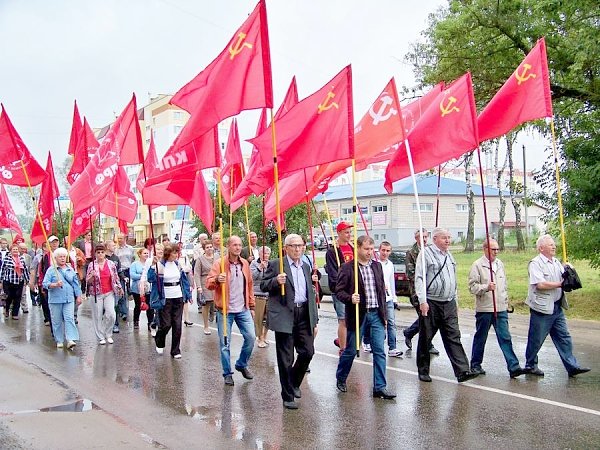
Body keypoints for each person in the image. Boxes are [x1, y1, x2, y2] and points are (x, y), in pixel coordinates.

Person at [261, 234, 319, 409]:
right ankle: (287, 395)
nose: (297, 249)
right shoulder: (276, 264)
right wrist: (275, 281)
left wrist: (314, 317)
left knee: (308, 352)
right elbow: (263, 285)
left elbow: (310, 293)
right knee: (286, 357)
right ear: (286, 248)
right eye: (293, 246)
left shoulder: (306, 267)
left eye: (300, 245)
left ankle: (293, 382)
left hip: (303, 314)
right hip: (285, 314)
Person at [335, 235, 396, 400]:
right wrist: (350, 298)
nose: (369, 252)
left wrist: (383, 315)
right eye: (366, 249)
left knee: (379, 351)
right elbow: (339, 291)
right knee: (350, 350)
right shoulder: (348, 268)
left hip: (375, 313)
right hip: (358, 315)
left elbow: (381, 291)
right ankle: (341, 377)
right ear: (358, 249)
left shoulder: (376, 266)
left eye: (371, 249)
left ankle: (380, 387)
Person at [415, 228, 478, 383]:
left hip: (448, 302)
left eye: (449, 238)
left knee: (453, 336)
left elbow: (453, 279)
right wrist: (422, 301)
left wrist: (455, 300)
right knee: (426, 337)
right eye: (444, 238)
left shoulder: (449, 255)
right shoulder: (425, 254)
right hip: (431, 302)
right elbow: (419, 278)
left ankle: (463, 371)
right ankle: (423, 370)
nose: (448, 240)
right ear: (435, 239)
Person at [523, 235, 591, 378]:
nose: (554, 247)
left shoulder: (556, 262)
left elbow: (564, 279)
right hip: (541, 308)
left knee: (564, 337)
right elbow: (540, 285)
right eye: (550, 245)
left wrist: (569, 271)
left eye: (554, 244)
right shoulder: (535, 263)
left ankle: (572, 366)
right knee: (536, 339)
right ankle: (530, 365)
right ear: (541, 248)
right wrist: (560, 284)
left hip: (557, 306)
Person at [468, 239, 525, 378]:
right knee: (481, 337)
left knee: (505, 337)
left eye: (497, 249)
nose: (496, 252)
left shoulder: (500, 264)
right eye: (493, 249)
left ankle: (513, 366)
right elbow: (472, 287)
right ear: (485, 249)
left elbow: (503, 285)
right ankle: (475, 365)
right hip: (485, 309)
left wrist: (505, 301)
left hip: (500, 308)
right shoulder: (477, 265)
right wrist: (486, 287)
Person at [207, 236, 256, 386]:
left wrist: (252, 305)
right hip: (225, 310)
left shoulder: (245, 264)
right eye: (234, 245)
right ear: (228, 246)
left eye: (240, 245)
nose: (238, 248)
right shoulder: (219, 264)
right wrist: (216, 280)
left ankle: (241, 364)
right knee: (225, 344)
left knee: (251, 338)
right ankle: (227, 373)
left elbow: (250, 285)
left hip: (243, 309)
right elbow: (208, 283)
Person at [147, 243, 191, 359]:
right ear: (168, 253)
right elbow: (150, 279)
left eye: (177, 252)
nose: (176, 254)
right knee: (166, 324)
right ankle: (159, 340)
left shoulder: (177, 264)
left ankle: (175, 350)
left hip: (178, 296)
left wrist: (188, 294)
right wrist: (153, 266)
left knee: (177, 324)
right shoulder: (160, 265)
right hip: (164, 297)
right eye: (174, 252)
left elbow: (184, 280)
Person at [404, 228, 439, 355]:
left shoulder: (430, 250)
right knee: (426, 318)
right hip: (417, 292)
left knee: (428, 318)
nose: (424, 239)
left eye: (425, 236)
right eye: (421, 237)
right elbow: (411, 274)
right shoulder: (411, 253)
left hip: (430, 290)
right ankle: (427, 345)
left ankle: (410, 332)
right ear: (416, 238)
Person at [42, 247, 82, 349]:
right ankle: (59, 339)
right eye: (60, 257)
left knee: (69, 318)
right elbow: (45, 284)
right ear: (56, 258)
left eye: (64, 256)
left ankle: (70, 339)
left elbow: (75, 283)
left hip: (69, 298)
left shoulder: (70, 269)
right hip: (55, 299)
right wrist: (54, 284)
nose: (63, 258)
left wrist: (78, 296)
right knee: (57, 320)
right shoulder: (51, 270)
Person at [325, 221, 354, 354]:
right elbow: (333, 274)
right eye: (346, 232)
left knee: (352, 319)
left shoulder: (353, 248)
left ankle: (348, 341)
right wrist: (341, 287)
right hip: (340, 290)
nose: (349, 235)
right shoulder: (333, 251)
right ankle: (343, 348)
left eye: (350, 232)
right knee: (343, 319)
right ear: (339, 233)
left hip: (353, 290)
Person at [86, 243, 123, 345]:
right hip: (96, 293)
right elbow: (88, 281)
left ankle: (108, 333)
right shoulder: (92, 265)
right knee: (97, 315)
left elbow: (115, 277)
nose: (100, 254)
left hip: (109, 292)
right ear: (95, 254)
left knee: (111, 314)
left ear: (105, 253)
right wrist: (92, 276)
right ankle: (100, 336)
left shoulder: (111, 264)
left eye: (102, 252)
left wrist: (120, 287)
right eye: (98, 253)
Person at [378, 241, 402, 357]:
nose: (385, 253)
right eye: (383, 250)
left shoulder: (390, 265)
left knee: (391, 322)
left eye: (387, 251)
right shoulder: (375, 263)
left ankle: (392, 347)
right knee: (378, 322)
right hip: (378, 298)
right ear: (379, 250)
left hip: (388, 298)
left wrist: (394, 297)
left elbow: (391, 281)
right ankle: (369, 342)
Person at [30, 235, 60, 327]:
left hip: (59, 283)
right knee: (46, 302)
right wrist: (36, 283)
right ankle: (48, 318)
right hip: (47, 283)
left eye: (56, 242)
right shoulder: (44, 257)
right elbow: (38, 271)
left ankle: (57, 319)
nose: (54, 244)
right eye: (52, 242)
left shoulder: (63, 254)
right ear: (48, 244)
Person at [1, 243, 30, 320]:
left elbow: (25, 270)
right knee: (9, 296)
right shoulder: (7, 258)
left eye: (16, 249)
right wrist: (1, 280)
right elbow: (3, 269)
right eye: (14, 249)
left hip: (19, 281)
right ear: (10, 251)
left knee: (18, 297)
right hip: (8, 281)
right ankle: (7, 309)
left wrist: (27, 280)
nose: (15, 251)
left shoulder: (21, 259)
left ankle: (15, 313)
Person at [251, 245, 272, 348]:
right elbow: (251, 277)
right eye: (264, 253)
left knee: (267, 318)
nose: (266, 255)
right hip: (258, 294)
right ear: (259, 254)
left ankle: (264, 336)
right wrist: (260, 268)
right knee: (258, 318)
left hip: (269, 294)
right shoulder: (254, 263)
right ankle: (259, 338)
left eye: (268, 253)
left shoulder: (271, 264)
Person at [129, 247, 154, 331]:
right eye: (144, 253)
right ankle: (136, 321)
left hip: (149, 288)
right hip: (137, 288)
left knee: (150, 306)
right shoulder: (135, 264)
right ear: (139, 255)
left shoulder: (151, 263)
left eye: (147, 253)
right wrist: (143, 276)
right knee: (138, 305)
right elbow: (132, 275)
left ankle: (150, 322)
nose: (146, 255)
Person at [194, 240, 216, 334]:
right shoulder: (200, 259)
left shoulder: (218, 257)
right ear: (204, 249)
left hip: (216, 282)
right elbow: (197, 273)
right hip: (205, 283)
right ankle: (206, 326)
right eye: (207, 247)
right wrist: (199, 287)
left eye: (211, 246)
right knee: (206, 304)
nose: (209, 248)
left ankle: (212, 314)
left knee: (216, 303)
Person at [105, 240, 125, 333]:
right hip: (105, 286)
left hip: (115, 285)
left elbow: (119, 271)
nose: (114, 247)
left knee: (115, 305)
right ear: (108, 247)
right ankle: (106, 323)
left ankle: (115, 324)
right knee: (107, 307)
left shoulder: (116, 258)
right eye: (113, 245)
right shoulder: (103, 257)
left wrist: (123, 278)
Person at [176, 242, 195, 327]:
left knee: (185, 298)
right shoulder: (172, 258)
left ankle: (186, 318)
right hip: (176, 281)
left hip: (184, 277)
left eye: (181, 246)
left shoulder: (184, 256)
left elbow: (189, 268)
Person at [18, 243, 32, 314]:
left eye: (24, 249)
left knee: (23, 293)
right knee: (14, 294)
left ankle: (24, 307)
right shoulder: (13, 256)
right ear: (18, 248)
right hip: (15, 279)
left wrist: (28, 279)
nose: (23, 250)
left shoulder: (28, 257)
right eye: (21, 248)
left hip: (24, 278)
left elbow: (29, 268)